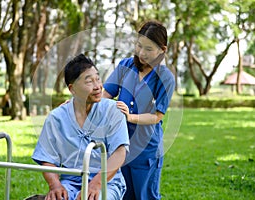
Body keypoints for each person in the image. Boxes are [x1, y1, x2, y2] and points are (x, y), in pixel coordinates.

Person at [32, 54, 129, 200]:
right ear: (72, 89)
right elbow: (47, 157)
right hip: (71, 182)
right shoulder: (56, 117)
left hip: (106, 183)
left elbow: (120, 153)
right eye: (89, 81)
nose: (97, 87)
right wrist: (55, 185)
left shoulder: (113, 111)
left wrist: (95, 184)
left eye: (98, 79)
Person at [103, 20, 175, 200]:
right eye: (139, 45)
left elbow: (157, 116)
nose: (141, 53)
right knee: (123, 195)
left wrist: (130, 117)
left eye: (149, 49)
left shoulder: (165, 78)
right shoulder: (125, 65)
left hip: (147, 150)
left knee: (145, 196)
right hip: (120, 146)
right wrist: (79, 102)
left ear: (162, 50)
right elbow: (105, 95)